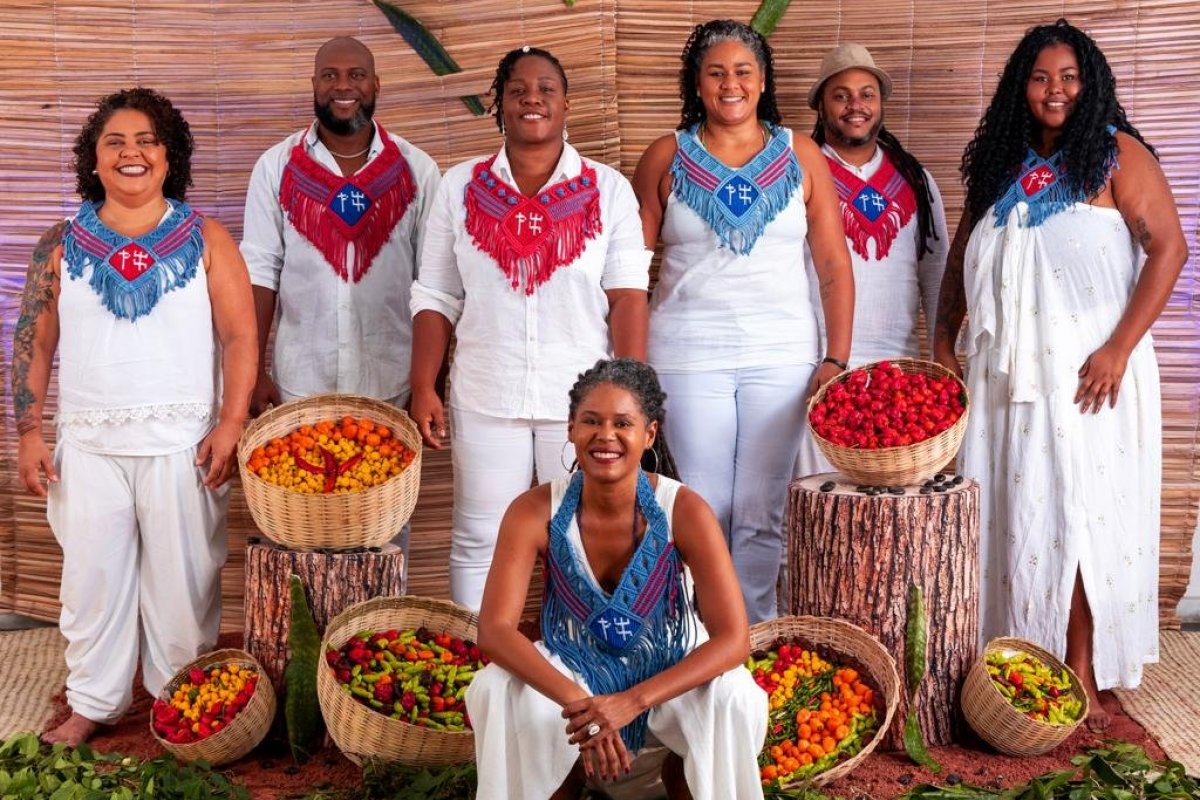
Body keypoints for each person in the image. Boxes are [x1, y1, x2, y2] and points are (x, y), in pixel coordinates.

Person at [932, 19, 1187, 730]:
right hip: (1004, 376)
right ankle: (1011, 662)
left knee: (1079, 512)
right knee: (1015, 511)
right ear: (1021, 86)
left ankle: (1081, 666)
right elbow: (960, 260)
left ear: (1091, 84)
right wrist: (943, 341)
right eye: (1041, 77)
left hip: (1089, 373)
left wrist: (1119, 348)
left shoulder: (1116, 155)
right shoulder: (1000, 166)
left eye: (1070, 77)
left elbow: (1168, 249)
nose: (1055, 90)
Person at [12, 88, 257, 745]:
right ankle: (94, 700)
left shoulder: (205, 238)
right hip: (88, 444)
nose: (132, 153)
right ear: (93, 158)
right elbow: (35, 341)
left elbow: (240, 336)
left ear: (169, 156)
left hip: (183, 444)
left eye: (147, 140)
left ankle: (181, 700)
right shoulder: (59, 244)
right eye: (115, 141)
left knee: (183, 585)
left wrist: (230, 423)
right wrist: (29, 432)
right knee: (91, 581)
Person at [410, 46, 652, 611]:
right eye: (517, 90)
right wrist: (423, 384)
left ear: (566, 104)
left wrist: (633, 392)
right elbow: (437, 295)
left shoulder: (608, 189)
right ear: (499, 106)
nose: (532, 99)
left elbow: (626, 296)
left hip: (583, 400)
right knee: (481, 537)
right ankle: (482, 658)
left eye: (546, 89)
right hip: (486, 392)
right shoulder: (460, 187)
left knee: (581, 538)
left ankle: (577, 658)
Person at [633, 20, 854, 622]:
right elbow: (628, 269)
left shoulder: (801, 155)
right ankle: (698, 638)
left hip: (782, 355)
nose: (730, 84)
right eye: (716, 72)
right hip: (686, 354)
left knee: (761, 512)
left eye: (743, 71)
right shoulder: (665, 156)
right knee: (702, 507)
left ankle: (751, 640)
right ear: (697, 83)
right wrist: (629, 366)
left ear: (762, 82)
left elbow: (833, 264)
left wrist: (835, 356)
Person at [466, 358, 766, 800]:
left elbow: (734, 640)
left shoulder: (685, 510)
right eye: (591, 421)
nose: (605, 435)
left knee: (735, 697)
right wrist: (577, 702)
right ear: (571, 429)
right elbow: (494, 631)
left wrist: (632, 701)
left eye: (622, 423)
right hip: (574, 662)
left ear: (649, 434)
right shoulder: (533, 510)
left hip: (669, 662)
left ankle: (684, 776)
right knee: (495, 687)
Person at [241, 36, 441, 413]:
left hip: (392, 385)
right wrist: (252, 370)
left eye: (357, 75)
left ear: (376, 85)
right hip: (300, 386)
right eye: (330, 75)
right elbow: (260, 272)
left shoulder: (417, 169)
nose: (343, 86)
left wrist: (428, 382)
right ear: (314, 84)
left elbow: (433, 284)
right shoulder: (276, 167)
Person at [796, 43, 950, 479]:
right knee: (817, 497)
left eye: (867, 94)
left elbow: (935, 272)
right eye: (841, 95)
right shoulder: (799, 174)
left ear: (881, 104)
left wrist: (940, 355)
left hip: (896, 371)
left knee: (889, 502)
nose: (856, 105)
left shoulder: (915, 179)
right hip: (816, 365)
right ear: (821, 106)